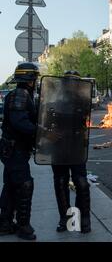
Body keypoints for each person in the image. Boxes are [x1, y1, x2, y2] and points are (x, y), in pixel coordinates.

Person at [49, 71, 92, 233]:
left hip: (76, 146)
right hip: (59, 146)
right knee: (60, 183)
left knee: (81, 183)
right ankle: (65, 218)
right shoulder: (55, 102)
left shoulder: (83, 101)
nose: (72, 85)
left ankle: (84, 218)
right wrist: (49, 133)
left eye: (75, 82)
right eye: (69, 82)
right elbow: (46, 123)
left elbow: (84, 121)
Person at [0, 63, 40, 240]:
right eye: (35, 78)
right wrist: (40, 132)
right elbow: (20, 123)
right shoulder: (20, 95)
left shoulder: (22, 94)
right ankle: (23, 226)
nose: (36, 81)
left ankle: (5, 223)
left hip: (13, 149)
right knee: (24, 185)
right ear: (30, 80)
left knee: (10, 186)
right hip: (15, 149)